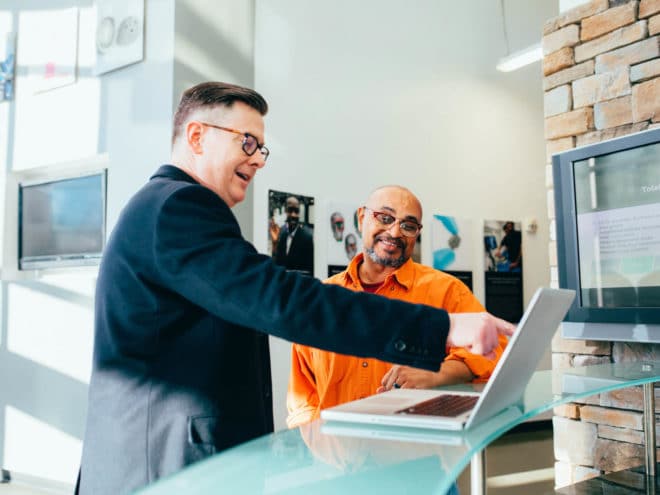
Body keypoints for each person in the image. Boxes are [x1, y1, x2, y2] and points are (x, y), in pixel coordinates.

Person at [77, 82, 514, 495]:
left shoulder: (166, 208)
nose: (258, 159)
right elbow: (282, 300)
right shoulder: (178, 206)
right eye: (246, 141)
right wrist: (443, 329)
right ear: (196, 136)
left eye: (261, 148)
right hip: (164, 466)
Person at [287, 186, 508, 427]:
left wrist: (436, 373)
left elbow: (495, 350)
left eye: (408, 226)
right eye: (385, 218)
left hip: (416, 452)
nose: (394, 232)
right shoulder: (323, 299)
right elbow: (302, 396)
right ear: (362, 218)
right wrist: (318, 447)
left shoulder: (446, 291)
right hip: (337, 456)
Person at [269, 196, 314, 276]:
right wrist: (274, 244)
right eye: (290, 210)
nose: (293, 215)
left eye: (296, 211)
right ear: (285, 211)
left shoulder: (307, 238)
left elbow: (310, 272)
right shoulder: (281, 234)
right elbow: (276, 265)